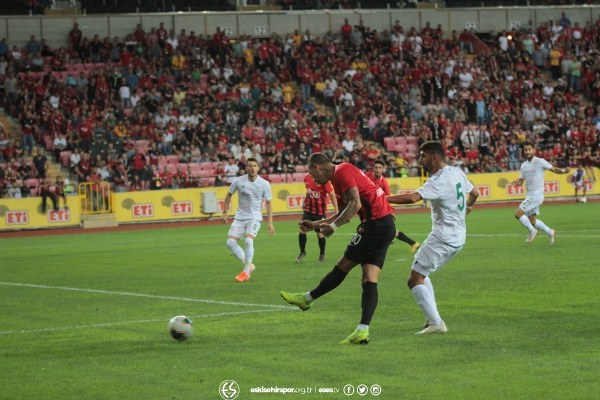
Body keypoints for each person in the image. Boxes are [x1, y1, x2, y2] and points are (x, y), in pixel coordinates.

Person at [280, 152, 396, 345]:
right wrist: (316, 224)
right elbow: (345, 212)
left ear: (317, 167)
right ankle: (362, 330)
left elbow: (355, 204)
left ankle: (307, 298)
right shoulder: (338, 178)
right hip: (384, 225)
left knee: (343, 265)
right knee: (369, 277)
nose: (314, 180)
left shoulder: (343, 171)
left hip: (375, 224)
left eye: (312, 174)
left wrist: (333, 228)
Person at [387, 141, 479, 334]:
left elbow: (412, 198)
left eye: (423, 156)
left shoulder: (437, 181)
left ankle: (436, 322)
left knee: (414, 279)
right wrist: (468, 208)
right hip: (459, 237)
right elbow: (475, 192)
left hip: (442, 237)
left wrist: (379, 198)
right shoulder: (456, 172)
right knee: (421, 272)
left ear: (434, 157)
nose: (420, 160)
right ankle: (433, 320)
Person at [222, 157, 275, 282]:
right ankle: (249, 265)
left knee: (248, 241)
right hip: (240, 217)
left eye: (255, 166)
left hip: (254, 217)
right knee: (230, 243)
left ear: (258, 168)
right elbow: (228, 196)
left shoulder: (264, 184)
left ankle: (245, 272)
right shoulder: (238, 181)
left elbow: (269, 203)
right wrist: (224, 212)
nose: (252, 168)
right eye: (250, 166)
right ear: (246, 168)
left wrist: (270, 223)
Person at [512, 141, 570, 244]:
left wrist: (564, 170)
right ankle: (550, 231)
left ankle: (532, 231)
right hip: (529, 196)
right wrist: (517, 182)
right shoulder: (523, 165)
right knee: (532, 220)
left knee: (518, 213)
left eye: (529, 149)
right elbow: (521, 181)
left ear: (534, 150)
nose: (527, 151)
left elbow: (553, 169)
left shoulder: (540, 161)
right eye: (525, 150)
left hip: (536, 196)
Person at [366, 160, 420, 253]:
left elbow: (388, 199)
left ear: (383, 169)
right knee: (383, 230)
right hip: (369, 208)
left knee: (380, 229)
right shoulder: (367, 176)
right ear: (373, 169)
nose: (378, 170)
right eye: (376, 167)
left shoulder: (384, 183)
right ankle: (410, 242)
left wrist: (389, 212)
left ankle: (411, 242)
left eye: (380, 168)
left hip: (379, 210)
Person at [296, 173, 338, 263]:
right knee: (302, 230)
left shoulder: (324, 180)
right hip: (308, 210)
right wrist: (304, 201)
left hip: (320, 212)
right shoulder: (307, 178)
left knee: (320, 234)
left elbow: (331, 193)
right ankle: (302, 252)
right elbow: (308, 191)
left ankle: (322, 254)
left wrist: (336, 209)